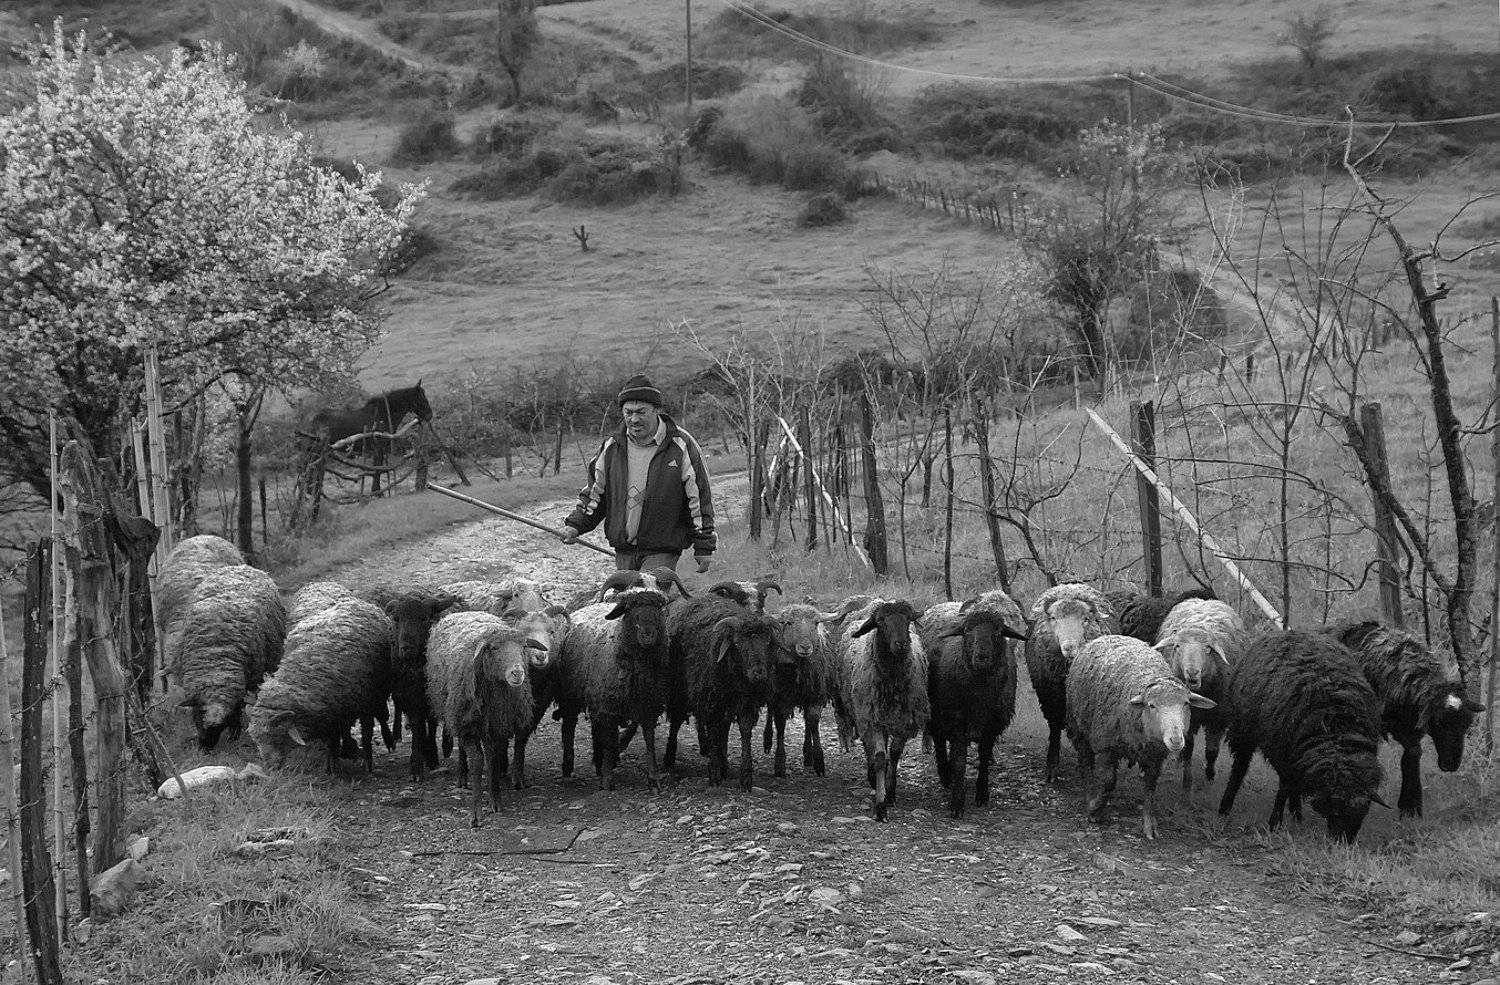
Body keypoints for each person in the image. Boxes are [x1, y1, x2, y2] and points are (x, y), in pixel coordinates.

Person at [560, 374, 715, 573]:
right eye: (628, 412)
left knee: (646, 599)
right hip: (623, 551)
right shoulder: (611, 448)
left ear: (657, 410)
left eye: (641, 412)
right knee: (624, 601)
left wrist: (704, 546)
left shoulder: (681, 446)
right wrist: (575, 526)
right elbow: (594, 496)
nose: (634, 419)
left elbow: (699, 498)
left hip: (662, 550)